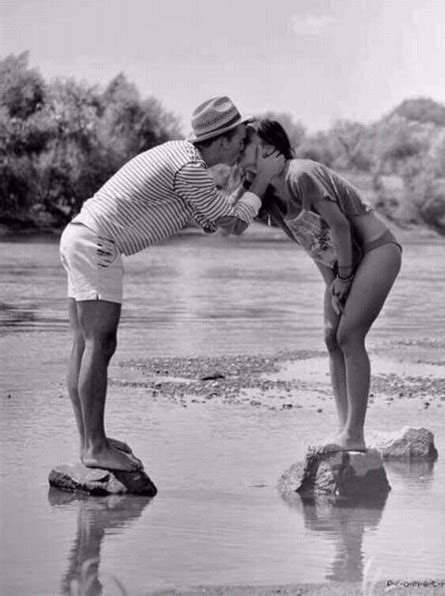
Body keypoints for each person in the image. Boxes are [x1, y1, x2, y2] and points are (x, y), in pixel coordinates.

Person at [59, 97, 283, 471]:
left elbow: (213, 219)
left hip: (81, 236)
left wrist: (236, 196)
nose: (244, 146)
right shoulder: (189, 167)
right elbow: (232, 223)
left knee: (85, 344)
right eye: (242, 139)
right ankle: (94, 447)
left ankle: (90, 440)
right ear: (222, 140)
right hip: (98, 243)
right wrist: (260, 181)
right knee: (100, 343)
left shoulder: (182, 159)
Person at [238, 119, 402, 452]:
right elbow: (311, 242)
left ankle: (354, 435)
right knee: (331, 338)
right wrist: (334, 284)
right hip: (340, 264)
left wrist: (344, 278)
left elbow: (340, 228)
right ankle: (344, 430)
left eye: (247, 142)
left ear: (269, 146)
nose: (239, 148)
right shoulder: (269, 194)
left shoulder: (301, 174)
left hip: (377, 251)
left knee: (349, 335)